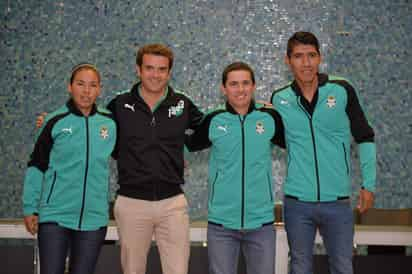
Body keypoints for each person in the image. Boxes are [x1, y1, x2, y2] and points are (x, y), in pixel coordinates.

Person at [271, 31, 376, 274]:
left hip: (337, 202)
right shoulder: (280, 99)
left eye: (311, 55)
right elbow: (272, 140)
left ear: (320, 58)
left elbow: (365, 137)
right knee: (300, 267)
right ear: (288, 61)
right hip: (297, 203)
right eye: (298, 56)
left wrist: (368, 185)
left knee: (342, 267)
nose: (306, 63)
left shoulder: (341, 90)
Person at [107, 44, 203, 274]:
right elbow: (92, 125)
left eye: (162, 69)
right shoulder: (119, 104)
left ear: (169, 72)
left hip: (172, 202)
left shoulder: (182, 103)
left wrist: (252, 110)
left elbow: (212, 129)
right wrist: (50, 119)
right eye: (149, 68)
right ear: (138, 70)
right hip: (131, 202)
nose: (155, 75)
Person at [186, 62, 284, 274]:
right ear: (224, 88)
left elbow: (298, 144)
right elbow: (188, 146)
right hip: (222, 225)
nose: (240, 89)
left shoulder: (269, 118)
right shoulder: (213, 120)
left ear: (254, 86)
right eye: (234, 84)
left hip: (261, 224)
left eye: (245, 83)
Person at [23, 63, 117, 274]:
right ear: (70, 87)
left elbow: (135, 148)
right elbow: (36, 165)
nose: (86, 90)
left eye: (92, 85)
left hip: (93, 219)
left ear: (99, 89)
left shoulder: (110, 122)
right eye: (80, 84)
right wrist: (30, 207)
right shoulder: (53, 121)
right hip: (55, 216)